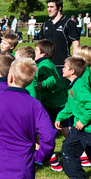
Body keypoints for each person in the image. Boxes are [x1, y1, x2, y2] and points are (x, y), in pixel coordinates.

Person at [56, 57, 91, 179]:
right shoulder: (72, 85)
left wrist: (84, 121)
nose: (62, 69)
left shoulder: (79, 86)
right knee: (67, 148)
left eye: (65, 67)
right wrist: (60, 117)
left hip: (90, 127)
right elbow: (70, 106)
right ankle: (78, 177)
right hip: (78, 126)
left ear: (72, 71)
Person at [35, 39, 68, 171]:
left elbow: (53, 80)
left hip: (52, 103)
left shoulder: (45, 65)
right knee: (63, 128)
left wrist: (41, 85)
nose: (34, 52)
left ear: (43, 53)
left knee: (44, 131)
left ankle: (48, 157)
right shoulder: (46, 63)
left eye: (36, 50)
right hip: (55, 101)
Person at [38, 0, 80, 77]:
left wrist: (73, 60)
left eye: (51, 7)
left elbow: (75, 42)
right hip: (47, 65)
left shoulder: (68, 23)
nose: (49, 9)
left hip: (63, 65)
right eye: (48, 7)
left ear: (59, 8)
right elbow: (41, 45)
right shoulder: (45, 25)